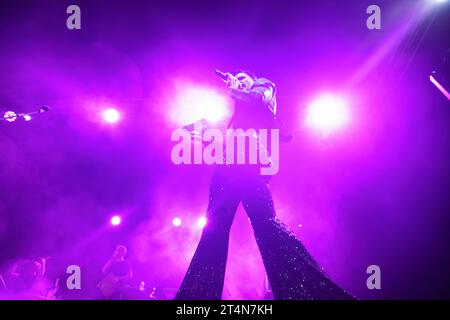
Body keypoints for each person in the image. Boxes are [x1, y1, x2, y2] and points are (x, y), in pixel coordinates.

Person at [175, 70, 353, 300]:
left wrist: (235, 85)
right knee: (213, 232)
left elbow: (257, 99)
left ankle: (308, 293)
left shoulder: (264, 87)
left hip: (250, 173)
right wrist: (203, 133)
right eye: (236, 79)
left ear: (252, 80)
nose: (238, 81)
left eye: (243, 78)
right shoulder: (237, 116)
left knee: (269, 228)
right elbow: (230, 143)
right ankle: (197, 298)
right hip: (226, 173)